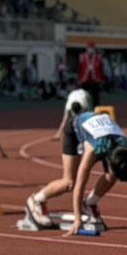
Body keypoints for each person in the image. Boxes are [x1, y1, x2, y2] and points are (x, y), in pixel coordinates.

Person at [62, 109, 127, 237]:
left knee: (112, 175)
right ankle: (37, 200)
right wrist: (77, 220)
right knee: (69, 183)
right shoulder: (92, 151)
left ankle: (90, 202)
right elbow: (79, 187)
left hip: (103, 132)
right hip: (74, 126)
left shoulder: (126, 153)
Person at [19, 88, 96, 232]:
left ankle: (87, 204)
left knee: (78, 178)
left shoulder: (85, 100)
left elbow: (91, 116)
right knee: (69, 182)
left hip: (82, 132)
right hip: (73, 134)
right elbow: (66, 119)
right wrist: (59, 133)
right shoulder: (72, 111)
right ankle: (36, 200)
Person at [77, 42, 107, 106]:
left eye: (92, 48)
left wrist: (102, 79)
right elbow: (80, 68)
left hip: (95, 80)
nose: (90, 49)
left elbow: (101, 69)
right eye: (89, 48)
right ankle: (83, 108)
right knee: (83, 96)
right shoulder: (82, 56)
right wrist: (79, 78)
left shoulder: (98, 57)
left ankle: (96, 110)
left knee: (95, 97)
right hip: (85, 79)